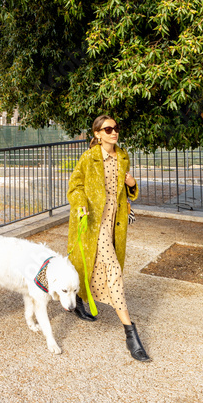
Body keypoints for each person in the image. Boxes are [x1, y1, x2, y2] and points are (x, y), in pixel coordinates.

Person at [66, 115, 150, 362]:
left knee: (96, 265)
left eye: (116, 128)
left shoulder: (123, 156)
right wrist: (80, 204)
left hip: (116, 221)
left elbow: (125, 191)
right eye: (108, 129)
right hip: (93, 221)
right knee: (112, 269)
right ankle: (130, 333)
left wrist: (133, 184)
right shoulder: (88, 158)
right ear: (97, 134)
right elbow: (74, 186)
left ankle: (81, 298)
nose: (114, 132)